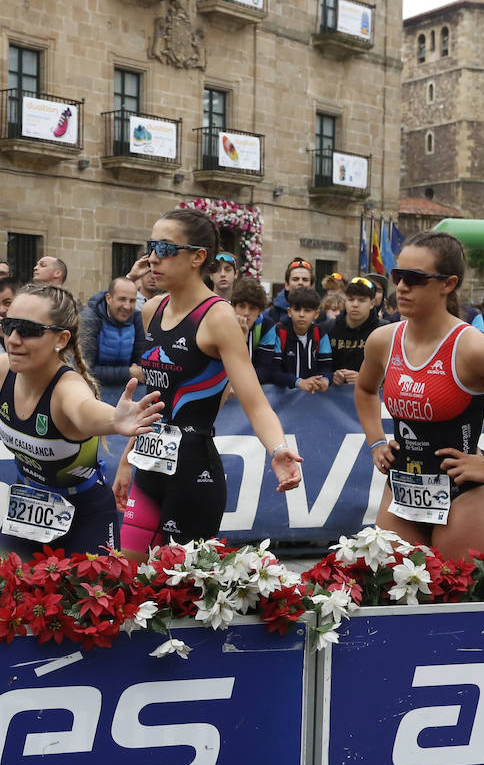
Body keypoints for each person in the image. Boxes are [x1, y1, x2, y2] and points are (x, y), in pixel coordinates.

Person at [355, 230, 484, 561]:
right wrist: (376, 442)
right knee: (392, 599)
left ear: (448, 284)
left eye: (415, 278)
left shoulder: (474, 348)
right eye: (398, 276)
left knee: (454, 602)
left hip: (464, 497)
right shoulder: (382, 340)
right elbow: (366, 389)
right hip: (403, 490)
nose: (401, 287)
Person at [113, 209, 303, 557]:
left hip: (193, 472)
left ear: (198, 257)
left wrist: (277, 450)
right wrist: (127, 461)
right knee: (129, 580)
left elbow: (255, 401)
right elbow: (154, 401)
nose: (153, 257)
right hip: (148, 466)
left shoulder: (218, 318)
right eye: (152, 246)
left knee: (177, 596)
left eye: (167, 248)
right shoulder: (151, 309)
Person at [0, 283, 162, 557]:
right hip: (28, 507)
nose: (14, 339)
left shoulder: (67, 387)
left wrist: (114, 419)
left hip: (86, 515)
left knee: (95, 598)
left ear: (61, 339)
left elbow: (84, 410)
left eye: (29, 331)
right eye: (9, 326)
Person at [256, 285, 332, 392]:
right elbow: (273, 372)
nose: (301, 314)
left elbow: (326, 367)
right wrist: (299, 382)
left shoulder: (320, 333)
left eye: (307, 310)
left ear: (316, 314)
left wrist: (325, 380)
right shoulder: (279, 332)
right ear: (289, 312)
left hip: (312, 396)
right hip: (282, 399)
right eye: (297, 309)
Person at [80, 276, 146, 386]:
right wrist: (128, 373)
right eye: (122, 299)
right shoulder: (89, 318)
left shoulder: (138, 319)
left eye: (132, 301)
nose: (127, 306)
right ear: (109, 299)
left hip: (128, 388)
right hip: (93, 388)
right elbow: (83, 369)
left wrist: (133, 373)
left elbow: (141, 370)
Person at [327, 275, 380, 385]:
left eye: (362, 300)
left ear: (372, 303)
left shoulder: (383, 331)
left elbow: (392, 370)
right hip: (334, 395)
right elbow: (318, 366)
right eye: (351, 299)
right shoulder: (328, 329)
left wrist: (365, 378)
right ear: (345, 301)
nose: (355, 305)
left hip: (371, 394)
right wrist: (331, 376)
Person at [260, 257, 315, 329]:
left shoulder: (321, 317)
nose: (300, 283)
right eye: (295, 279)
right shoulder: (269, 315)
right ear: (287, 285)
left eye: (305, 279)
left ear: (311, 286)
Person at [229, 277, 267, 357]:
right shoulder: (221, 325)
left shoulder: (268, 326)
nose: (246, 313)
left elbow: (263, 366)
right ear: (233, 307)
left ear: (260, 311)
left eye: (252, 308)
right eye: (242, 306)